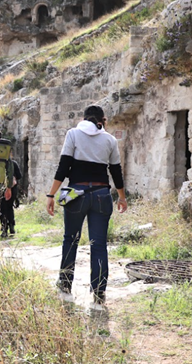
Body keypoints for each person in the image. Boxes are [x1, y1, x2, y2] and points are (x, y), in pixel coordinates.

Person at [46, 105, 127, 307]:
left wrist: (51, 194)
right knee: (98, 244)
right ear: (102, 120)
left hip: (76, 195)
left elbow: (63, 167)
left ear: (83, 118)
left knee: (70, 240)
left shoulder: (73, 134)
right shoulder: (109, 139)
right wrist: (122, 197)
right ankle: (99, 292)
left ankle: (65, 284)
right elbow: (116, 171)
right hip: (101, 195)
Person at [0, 156, 22, 238]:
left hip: (1, 188)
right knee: (9, 208)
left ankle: (4, 228)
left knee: (2, 209)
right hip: (13, 189)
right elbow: (19, 176)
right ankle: (11, 227)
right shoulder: (13, 163)